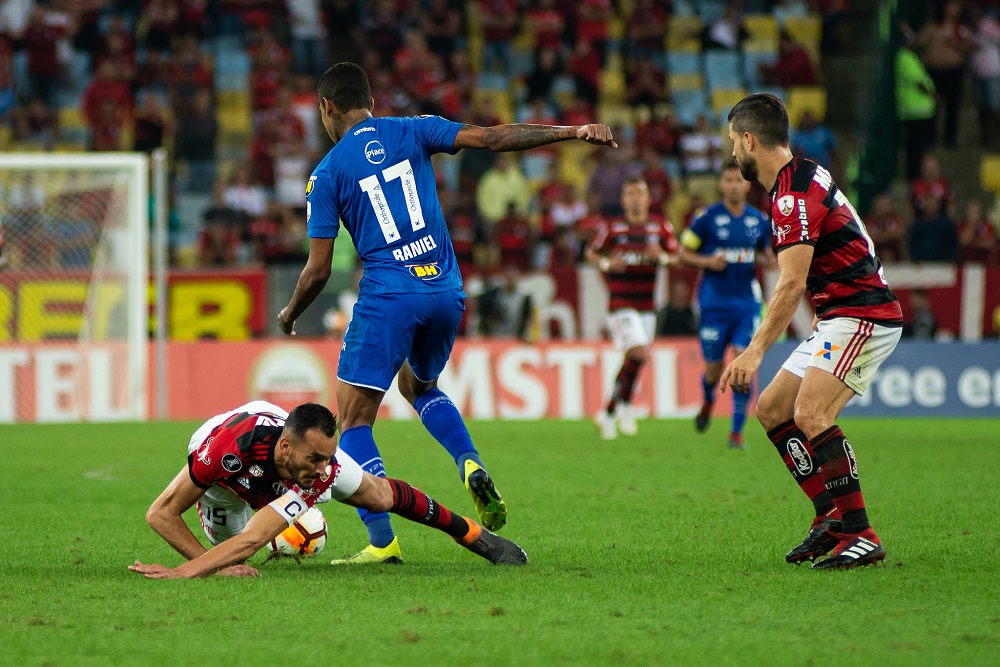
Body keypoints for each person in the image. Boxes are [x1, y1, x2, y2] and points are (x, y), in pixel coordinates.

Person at [277, 63, 617, 562]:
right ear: (370, 100)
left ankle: (381, 543)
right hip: (444, 289)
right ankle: (469, 462)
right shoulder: (414, 128)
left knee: (351, 415)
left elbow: (318, 270)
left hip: (390, 294)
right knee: (420, 387)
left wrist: (289, 314)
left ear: (327, 108)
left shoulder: (326, 172)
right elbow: (496, 138)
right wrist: (571, 130)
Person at [721, 93, 903, 570]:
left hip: (863, 314)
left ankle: (861, 532)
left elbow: (791, 284)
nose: (732, 155)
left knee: (810, 411)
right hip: (839, 315)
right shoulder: (798, 175)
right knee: (773, 409)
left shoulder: (790, 197)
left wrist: (754, 351)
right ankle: (830, 516)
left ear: (748, 139)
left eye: (732, 144)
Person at [128, 402, 527, 579]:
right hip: (227, 490)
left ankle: (475, 535)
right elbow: (160, 514)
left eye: (328, 458)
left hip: (279, 468)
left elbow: (254, 538)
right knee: (222, 557)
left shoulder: (321, 467)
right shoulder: (223, 450)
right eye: (316, 458)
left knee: (380, 495)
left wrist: (185, 573)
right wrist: (198, 568)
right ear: (287, 446)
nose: (324, 471)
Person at [679, 160, 774, 450]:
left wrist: (767, 260)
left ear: (747, 184)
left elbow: (766, 255)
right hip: (713, 305)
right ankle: (708, 399)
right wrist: (707, 261)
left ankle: (736, 433)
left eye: (738, 180)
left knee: (743, 361)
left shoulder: (759, 221)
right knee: (714, 370)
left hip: (746, 303)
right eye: (728, 180)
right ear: (721, 185)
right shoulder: (705, 218)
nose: (734, 186)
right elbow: (683, 253)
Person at [586, 178, 678, 440]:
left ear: (649, 199)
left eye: (640, 193)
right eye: (630, 194)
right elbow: (591, 253)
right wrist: (606, 264)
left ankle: (612, 410)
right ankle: (622, 407)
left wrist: (660, 257)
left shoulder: (660, 227)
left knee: (635, 359)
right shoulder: (613, 228)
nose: (635, 199)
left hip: (647, 306)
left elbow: (678, 255)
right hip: (620, 303)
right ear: (623, 200)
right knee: (637, 352)